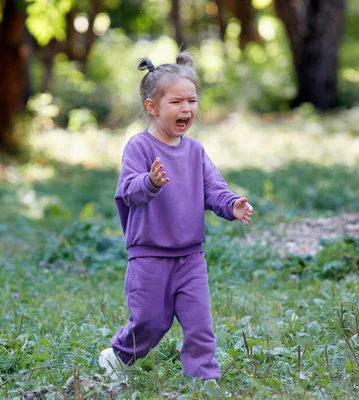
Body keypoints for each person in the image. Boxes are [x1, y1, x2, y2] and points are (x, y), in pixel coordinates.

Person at [98, 52, 253, 384]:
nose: (187, 109)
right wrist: (150, 182)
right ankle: (120, 355)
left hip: (190, 256)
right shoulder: (139, 147)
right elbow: (127, 191)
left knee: (200, 326)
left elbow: (213, 188)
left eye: (192, 100)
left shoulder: (195, 151)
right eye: (176, 102)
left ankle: (204, 382)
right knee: (151, 322)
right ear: (153, 107)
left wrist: (231, 205)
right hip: (150, 255)